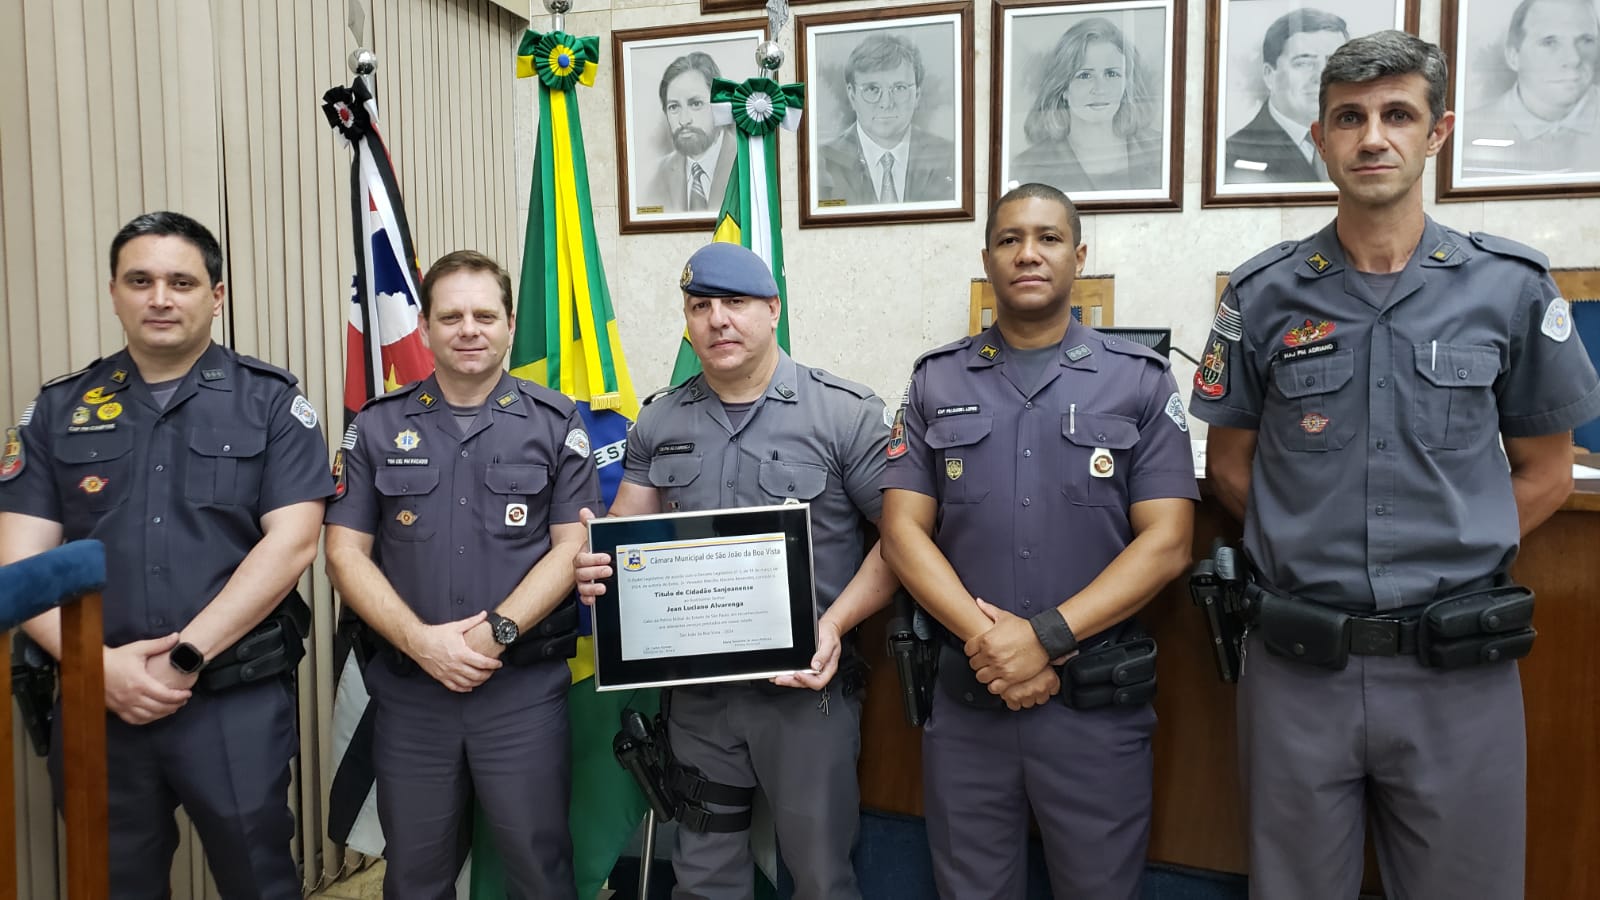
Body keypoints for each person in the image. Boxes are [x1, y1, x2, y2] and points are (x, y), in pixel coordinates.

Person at [1191, 31, 1600, 899]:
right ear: (1319, 138)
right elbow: (1230, 466)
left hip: (1456, 668)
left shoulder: (1511, 287)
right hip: (1300, 667)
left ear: (1436, 133)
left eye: (1397, 115)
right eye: (1349, 118)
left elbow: (1548, 472)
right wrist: (1313, 547)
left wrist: (1448, 548)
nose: (1372, 137)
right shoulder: (1261, 295)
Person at [879, 183, 1198, 900]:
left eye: (1049, 238)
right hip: (970, 703)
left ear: (1079, 257)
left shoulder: (1140, 380)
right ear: (987, 259)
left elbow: (1170, 541)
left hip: (1094, 709)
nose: (1028, 253)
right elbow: (901, 532)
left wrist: (1045, 637)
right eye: (1009, 239)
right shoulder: (935, 380)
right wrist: (995, 647)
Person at [0, 211, 331, 898]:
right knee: (110, 883)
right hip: (97, 696)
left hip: (230, 697)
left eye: (182, 282)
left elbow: (294, 541)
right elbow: (17, 564)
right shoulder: (58, 410)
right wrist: (100, 668)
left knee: (259, 877)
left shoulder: (270, 402)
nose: (160, 298)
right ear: (113, 292)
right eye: (140, 280)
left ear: (217, 295)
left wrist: (185, 658)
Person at [574, 242, 898, 900]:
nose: (717, 319)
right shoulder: (660, 419)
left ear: (773, 310)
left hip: (805, 693)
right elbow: (626, 531)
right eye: (700, 306)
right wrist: (597, 568)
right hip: (698, 701)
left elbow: (902, 542)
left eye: (735, 302)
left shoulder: (844, 412)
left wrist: (834, 625)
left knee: (821, 876)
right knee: (703, 877)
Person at [324, 250, 598, 898]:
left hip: (520, 692)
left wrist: (495, 632)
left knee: (539, 868)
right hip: (412, 693)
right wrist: (422, 643)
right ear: (424, 327)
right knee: (415, 876)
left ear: (509, 325)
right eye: (451, 317)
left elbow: (572, 546)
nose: (468, 329)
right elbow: (343, 553)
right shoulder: (377, 425)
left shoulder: (556, 422)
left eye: (484, 315)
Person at [1010, 17, 1163, 193]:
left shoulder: (1161, 152)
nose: (1100, 89)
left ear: (1127, 84)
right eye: (1085, 75)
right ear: (1063, 88)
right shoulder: (1028, 167)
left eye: (1111, 74)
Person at [1461, 0, 1600, 176]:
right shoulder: (1465, 132)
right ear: (1513, 56)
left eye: (1586, 40)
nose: (1574, 58)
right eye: (1550, 42)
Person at [816, 33, 957, 205]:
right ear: (852, 95)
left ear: (917, 95)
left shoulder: (951, 157)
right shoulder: (821, 162)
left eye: (899, 88)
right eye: (872, 89)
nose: (886, 103)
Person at [1224, 9, 1349, 184]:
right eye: (1304, 63)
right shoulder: (1233, 154)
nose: (1321, 76)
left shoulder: (1362, 140)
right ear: (1269, 75)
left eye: (1334, 63)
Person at [642, 52, 737, 214]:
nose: (684, 120)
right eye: (674, 107)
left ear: (719, 105)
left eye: (696, 104)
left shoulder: (745, 161)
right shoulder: (656, 175)